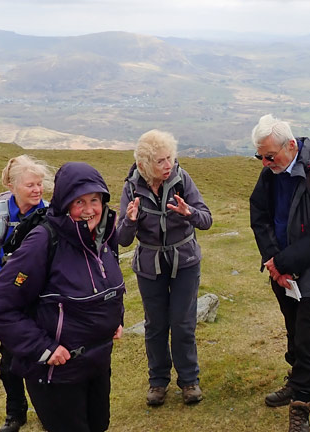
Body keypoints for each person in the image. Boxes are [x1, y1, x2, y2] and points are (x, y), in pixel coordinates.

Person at [0, 162, 125, 432]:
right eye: (78, 201)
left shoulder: (104, 235)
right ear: (63, 203)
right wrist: (42, 348)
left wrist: (116, 319)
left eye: (95, 200)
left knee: (99, 426)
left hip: (96, 363)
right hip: (56, 374)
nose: (88, 210)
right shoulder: (44, 240)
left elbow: (110, 286)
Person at [249, 115, 310, 432]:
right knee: (293, 332)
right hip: (283, 275)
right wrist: (272, 261)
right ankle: (296, 380)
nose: (265, 163)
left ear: (290, 146)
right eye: (260, 156)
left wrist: (280, 262)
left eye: (270, 156)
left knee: (308, 342)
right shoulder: (271, 173)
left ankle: (301, 406)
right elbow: (259, 213)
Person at [117, 129, 212, 406]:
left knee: (183, 324)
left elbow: (207, 220)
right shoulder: (131, 187)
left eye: (170, 157)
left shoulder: (183, 180)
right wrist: (131, 220)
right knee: (155, 325)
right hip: (150, 266)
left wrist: (188, 212)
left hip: (185, 262)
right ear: (145, 164)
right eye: (160, 161)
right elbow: (122, 240)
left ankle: (189, 381)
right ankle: (158, 382)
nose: (168, 165)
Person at [0, 154, 54, 432]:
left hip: (43, 299)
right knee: (10, 363)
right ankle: (15, 414)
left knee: (45, 356)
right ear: (12, 186)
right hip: (11, 303)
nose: (37, 190)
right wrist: (9, 293)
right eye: (30, 185)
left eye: (40, 184)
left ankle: (49, 412)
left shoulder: (49, 214)